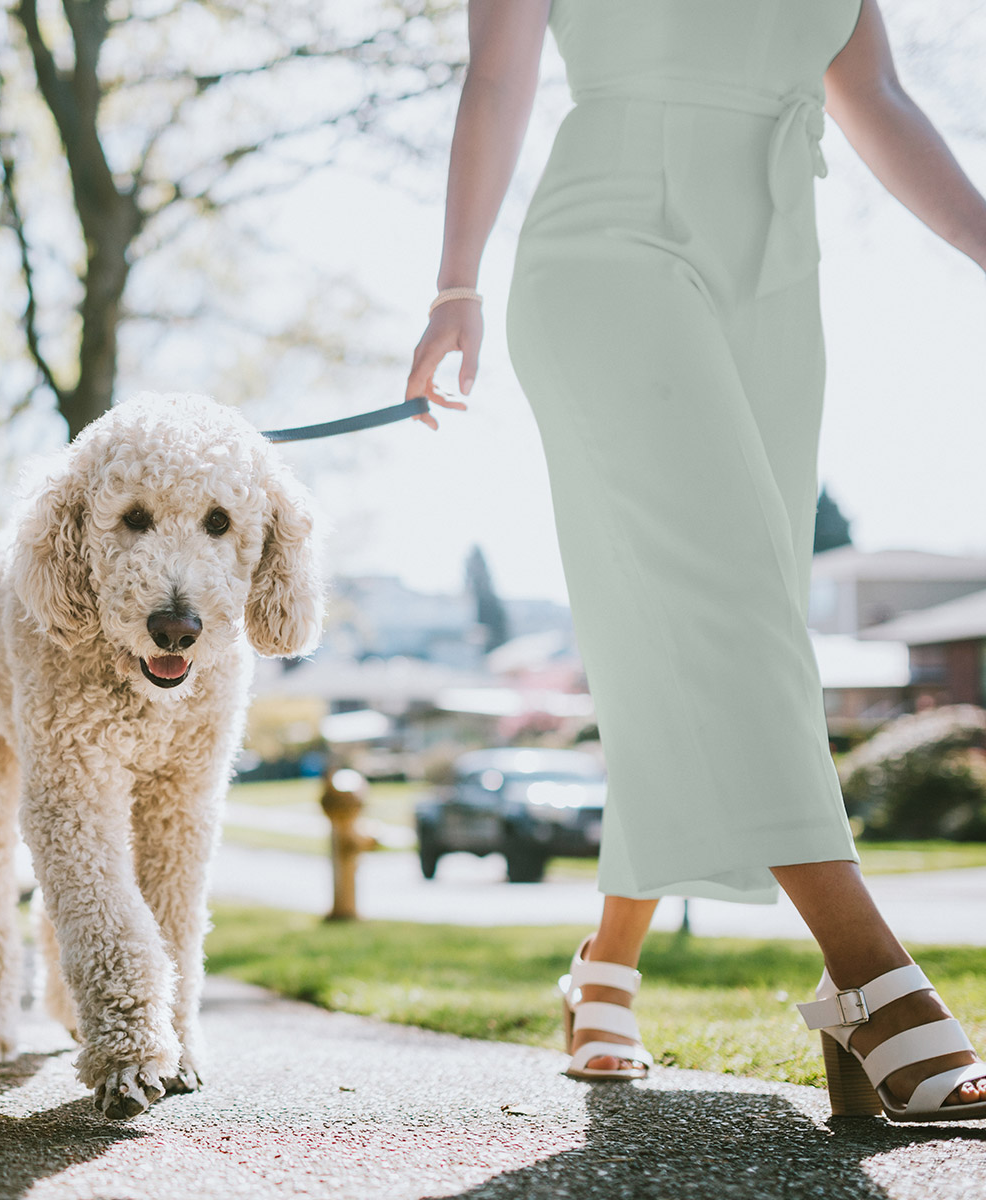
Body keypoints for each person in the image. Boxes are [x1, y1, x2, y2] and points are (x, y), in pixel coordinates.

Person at [404, 0, 986, 1122]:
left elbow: (875, 94)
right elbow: (496, 76)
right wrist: (454, 283)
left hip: (776, 274)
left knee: (712, 631)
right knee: (725, 613)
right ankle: (869, 979)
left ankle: (605, 965)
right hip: (608, 247)